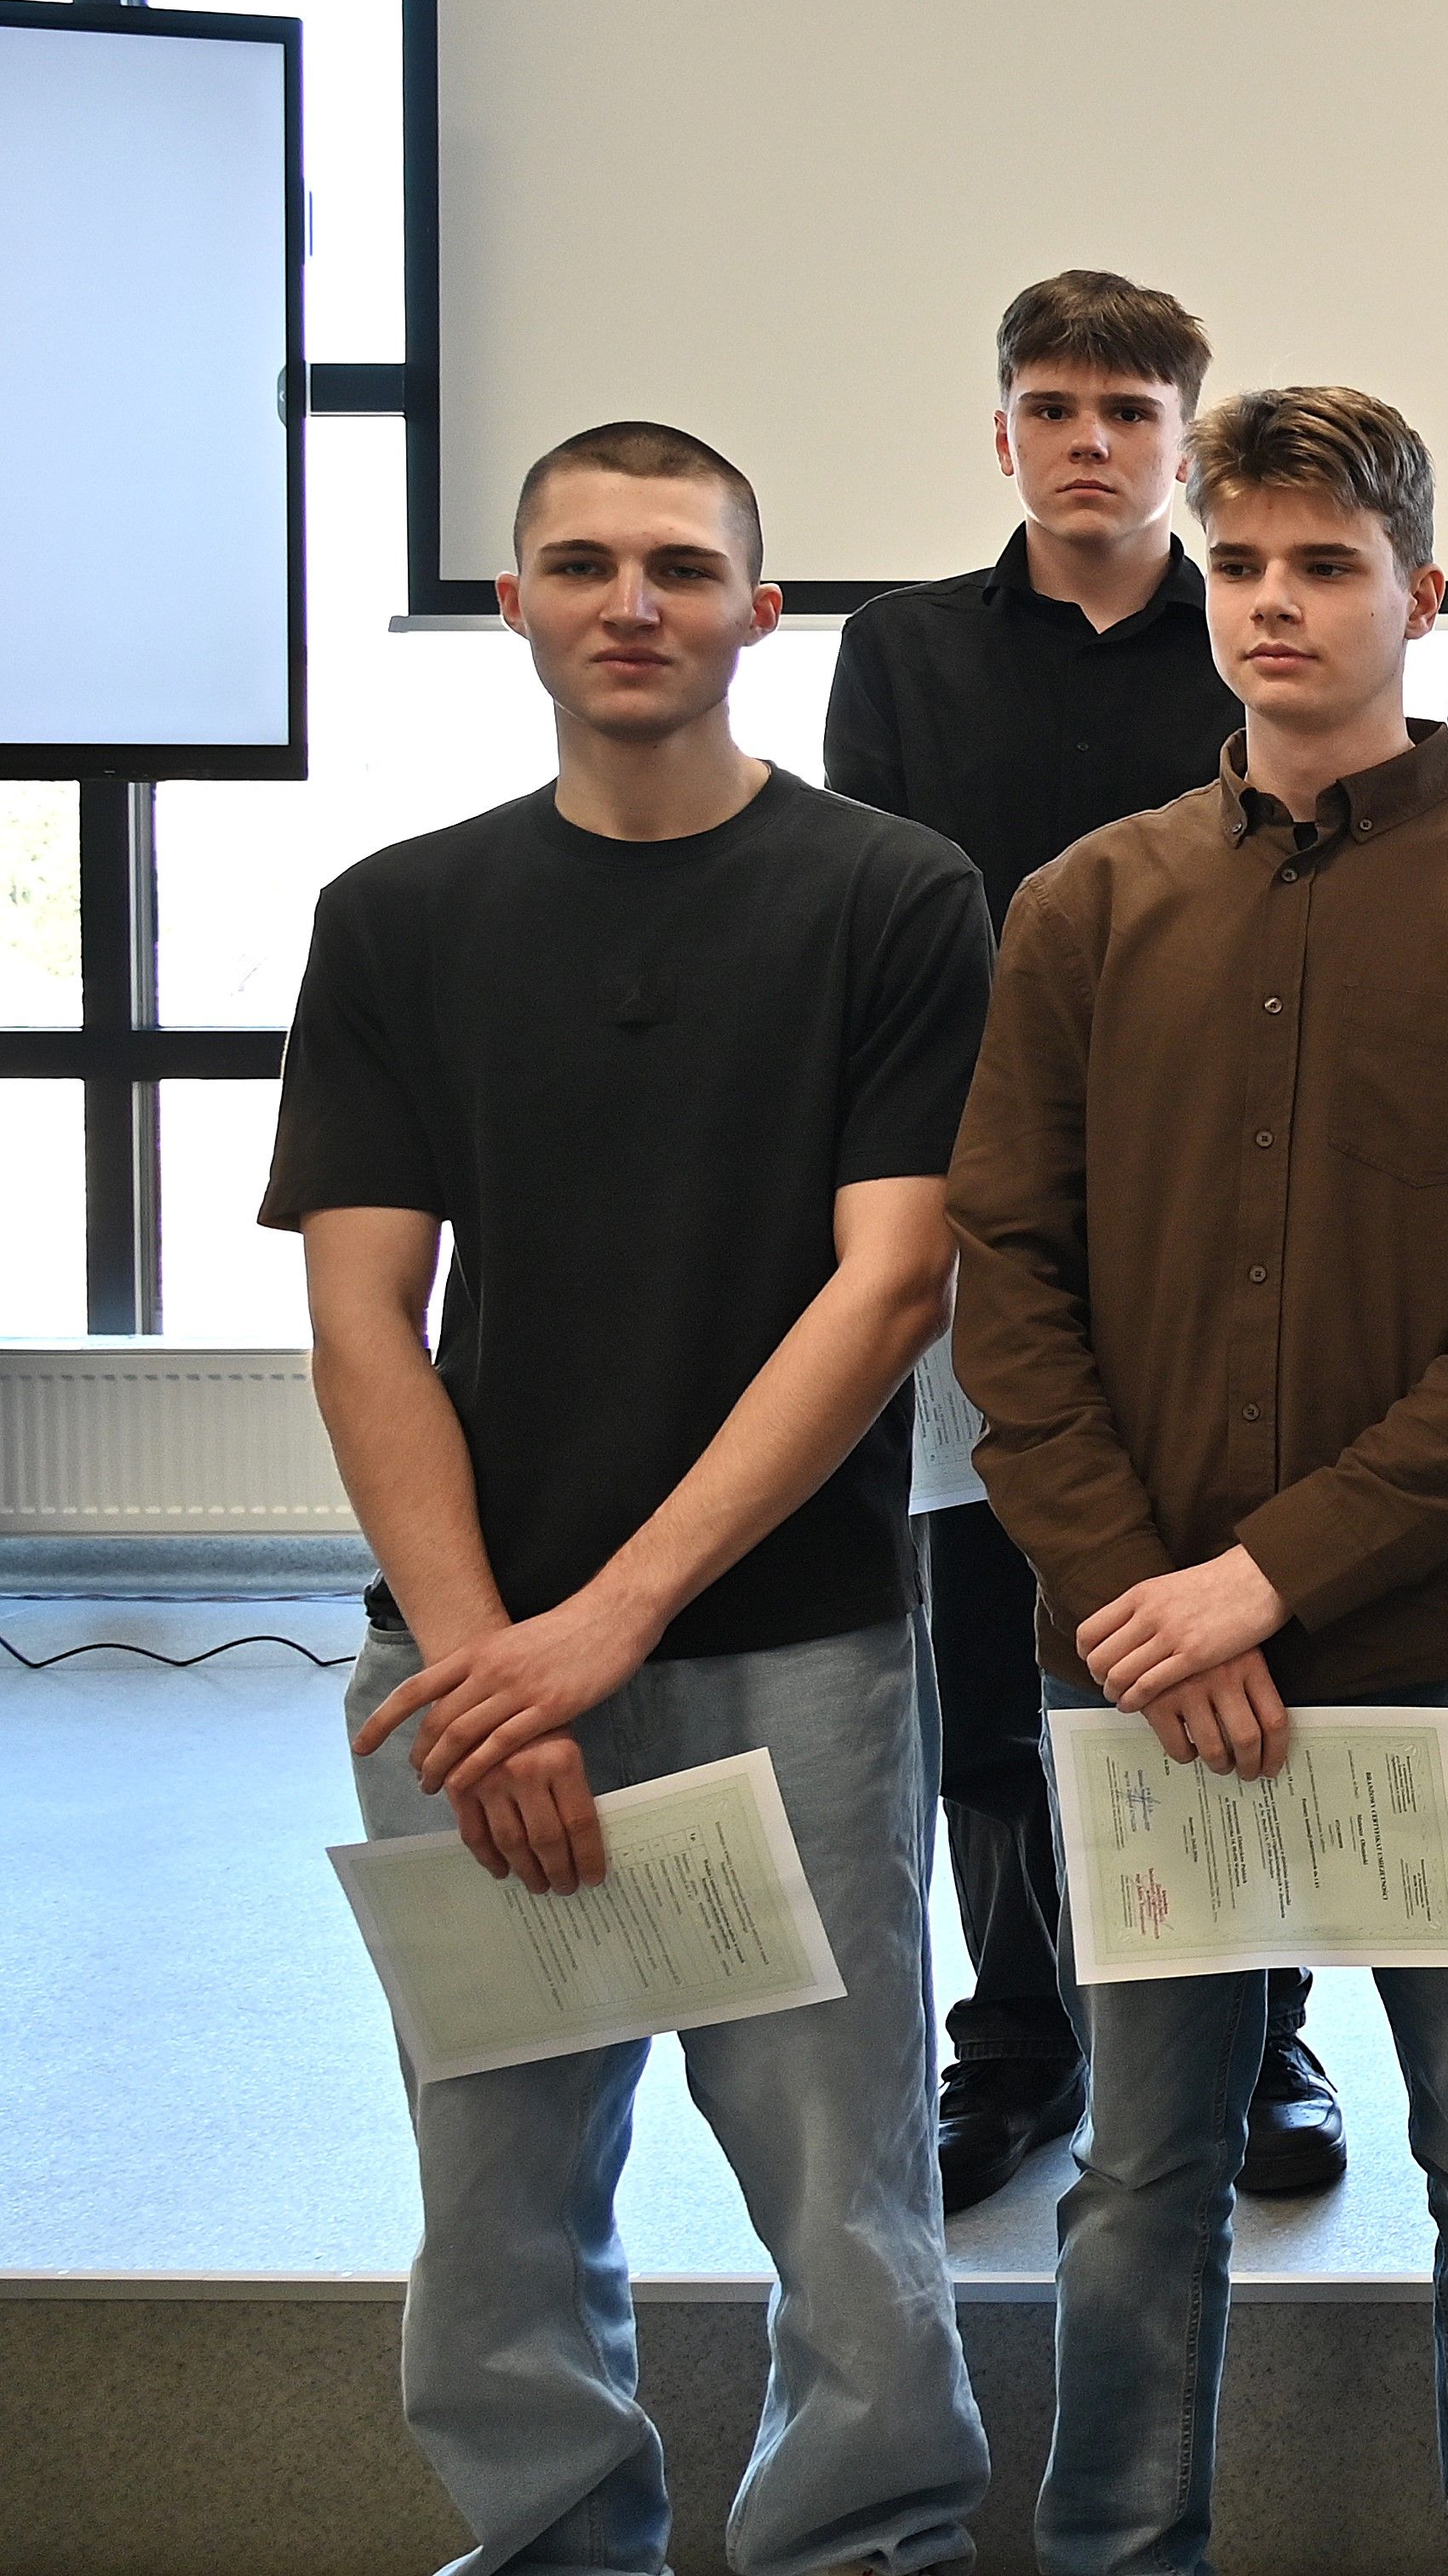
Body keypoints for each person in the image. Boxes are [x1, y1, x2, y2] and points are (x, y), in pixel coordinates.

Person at [955, 386, 1448, 2576]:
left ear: (1419, 593)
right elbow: (1006, 1273)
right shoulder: (1087, 905)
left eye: (1327, 564)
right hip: (1142, 1658)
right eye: (1243, 560)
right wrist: (1136, 1590)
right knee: (1137, 2173)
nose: (1276, 600)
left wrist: (1259, 1577)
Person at [272, 418, 993, 2576]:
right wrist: (488, 1652)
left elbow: (893, 1286)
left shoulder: (892, 893)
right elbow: (364, 1317)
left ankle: (861, 2543)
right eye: (582, 561)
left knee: (846, 2183)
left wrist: (610, 1618)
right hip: (469, 1656)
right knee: (495, 2191)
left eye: (681, 564)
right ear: (514, 602)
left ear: (761, 609)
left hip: (794, 1644)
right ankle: (551, 2539)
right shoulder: (397, 913)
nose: (631, 599)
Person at [828, 266, 1338, 2213]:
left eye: (1130, 412)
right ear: (1002, 432)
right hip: (991, 1227)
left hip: (1229, 1226)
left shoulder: (1251, 640)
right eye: (1054, 407)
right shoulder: (903, 651)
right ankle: (1022, 2036)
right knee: (987, 1657)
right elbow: (878, 937)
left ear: (1183, 442)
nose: (1090, 442)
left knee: (1230, 1632)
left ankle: (1263, 2033)